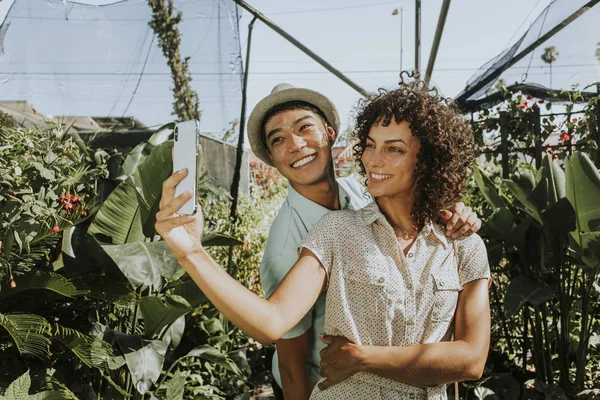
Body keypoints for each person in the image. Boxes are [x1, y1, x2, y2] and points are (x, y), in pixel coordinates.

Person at [155, 76, 489, 399]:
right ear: (271, 159)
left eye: (303, 128)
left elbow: (471, 359)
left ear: (329, 133)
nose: (373, 159)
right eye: (278, 139)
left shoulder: (370, 196)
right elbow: (283, 346)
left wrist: (446, 206)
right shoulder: (317, 236)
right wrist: (191, 252)